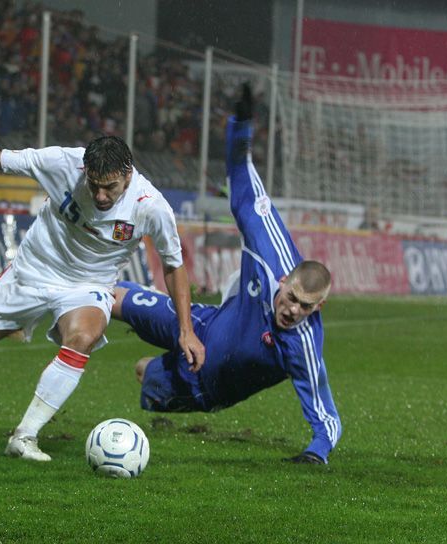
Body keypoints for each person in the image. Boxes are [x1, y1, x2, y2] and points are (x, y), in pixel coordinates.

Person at [0, 135, 205, 461]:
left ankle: (24, 436)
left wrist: (186, 330)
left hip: (87, 285)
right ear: (84, 169)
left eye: (109, 188)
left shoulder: (151, 206)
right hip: (31, 272)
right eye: (93, 185)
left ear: (128, 174)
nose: (100, 195)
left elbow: (173, 266)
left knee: (84, 336)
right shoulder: (62, 163)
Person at [112, 85, 341, 464]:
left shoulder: (303, 345)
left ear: (319, 307)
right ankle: (39, 302)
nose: (293, 311)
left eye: (305, 308)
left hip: (204, 385)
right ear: (284, 281)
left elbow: (325, 413)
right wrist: (242, 124)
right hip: (200, 322)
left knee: (143, 372)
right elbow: (244, 184)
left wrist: (316, 453)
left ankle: (154, 367)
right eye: (291, 298)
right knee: (110, 295)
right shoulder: (272, 253)